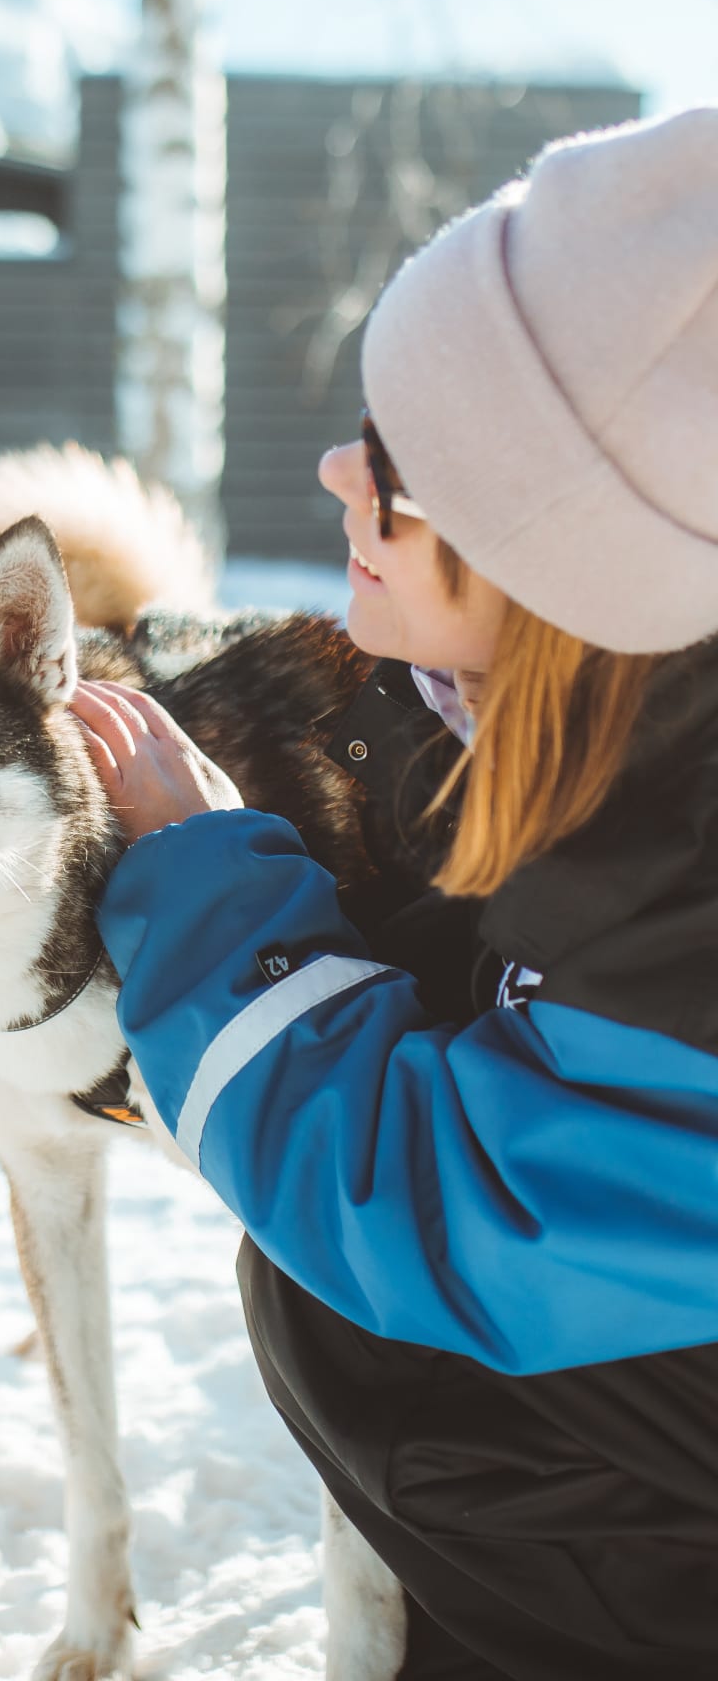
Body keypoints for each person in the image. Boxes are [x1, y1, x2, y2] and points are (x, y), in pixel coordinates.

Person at [73, 108, 718, 1679]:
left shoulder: (682, 925)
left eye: (399, 470)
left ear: (560, 570)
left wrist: (208, 897)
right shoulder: (654, 748)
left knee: (358, 1318)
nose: (336, 470)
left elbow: (432, 1205)